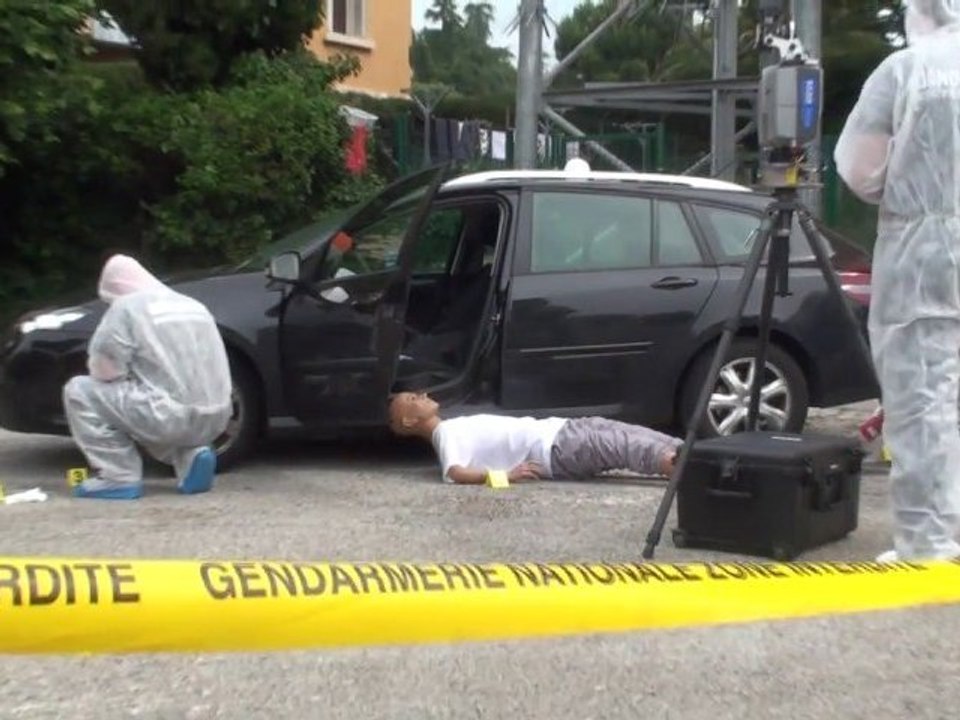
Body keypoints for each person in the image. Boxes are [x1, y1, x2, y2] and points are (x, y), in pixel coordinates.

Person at [834, 0, 960, 561]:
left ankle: (928, 542)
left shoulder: (907, 70)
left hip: (923, 253)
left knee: (921, 398)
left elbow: (860, 171)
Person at [63, 255, 233, 499]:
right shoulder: (194, 306)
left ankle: (118, 477)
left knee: (80, 390)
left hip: (167, 415)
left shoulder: (127, 306)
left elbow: (105, 369)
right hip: (217, 417)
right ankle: (192, 456)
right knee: (155, 401)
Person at [388, 392, 682, 484]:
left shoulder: (450, 427)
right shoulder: (445, 435)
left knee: (639, 437)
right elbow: (454, 473)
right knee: (636, 450)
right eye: (414, 398)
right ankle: (694, 471)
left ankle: (700, 456)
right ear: (410, 420)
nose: (424, 395)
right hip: (555, 449)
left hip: (562, 429)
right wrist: (506, 476)